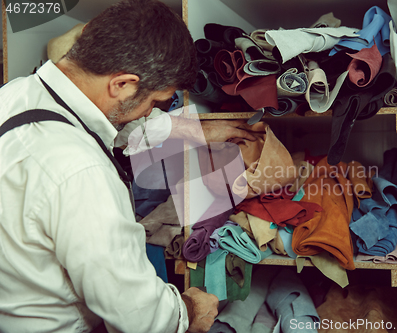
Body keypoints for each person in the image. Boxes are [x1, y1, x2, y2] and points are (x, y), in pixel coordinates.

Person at [0, 0, 256, 332]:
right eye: (154, 102)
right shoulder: (82, 172)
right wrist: (190, 308)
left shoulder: (13, 96)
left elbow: (108, 127)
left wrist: (194, 129)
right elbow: (138, 316)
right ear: (122, 83)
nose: (151, 112)